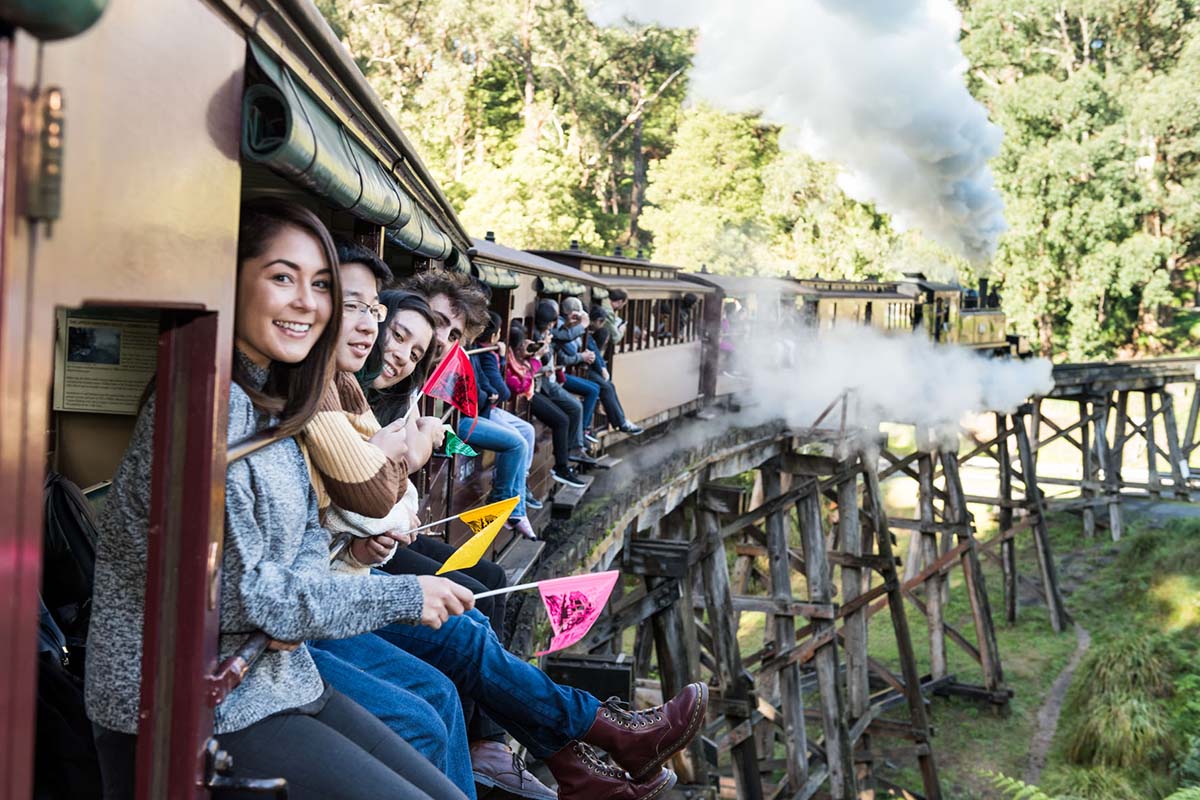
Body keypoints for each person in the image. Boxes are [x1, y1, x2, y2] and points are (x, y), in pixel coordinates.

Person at [85, 199, 473, 800]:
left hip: (272, 680)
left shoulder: (271, 397)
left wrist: (304, 600)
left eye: (320, 285)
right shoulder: (204, 406)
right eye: (282, 278)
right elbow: (255, 597)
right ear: (229, 280)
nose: (308, 302)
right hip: (185, 708)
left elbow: (305, 544)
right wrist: (402, 595)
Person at [401, 270, 536, 539]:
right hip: (465, 418)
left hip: (395, 527)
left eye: (453, 336)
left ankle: (513, 505)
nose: (441, 339)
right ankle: (508, 507)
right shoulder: (394, 379)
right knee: (518, 441)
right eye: (437, 322)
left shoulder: (411, 383)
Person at [473, 311, 542, 512]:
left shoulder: (485, 353)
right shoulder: (486, 355)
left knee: (528, 430)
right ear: (494, 336)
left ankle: (520, 485)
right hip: (485, 411)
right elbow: (504, 391)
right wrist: (502, 359)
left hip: (489, 408)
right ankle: (505, 495)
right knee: (516, 440)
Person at [506, 320, 586, 489]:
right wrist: (535, 358)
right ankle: (560, 468)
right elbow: (522, 381)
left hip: (529, 393)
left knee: (564, 417)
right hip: (523, 396)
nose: (524, 347)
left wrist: (533, 354)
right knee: (561, 420)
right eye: (521, 344)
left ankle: (562, 465)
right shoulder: (507, 358)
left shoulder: (516, 355)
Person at [555, 296, 643, 437]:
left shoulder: (575, 328)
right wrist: (582, 356)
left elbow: (592, 347)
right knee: (600, 387)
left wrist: (601, 366)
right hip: (569, 370)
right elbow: (567, 351)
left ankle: (619, 421)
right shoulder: (565, 328)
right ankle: (588, 429)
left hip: (575, 366)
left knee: (608, 385)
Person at [532, 300, 597, 466]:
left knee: (576, 405)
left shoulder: (546, 331)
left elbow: (561, 339)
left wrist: (568, 325)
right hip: (543, 383)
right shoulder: (539, 334)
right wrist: (582, 325)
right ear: (552, 321)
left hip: (548, 380)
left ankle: (576, 446)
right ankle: (573, 451)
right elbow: (564, 345)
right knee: (574, 408)